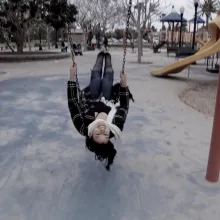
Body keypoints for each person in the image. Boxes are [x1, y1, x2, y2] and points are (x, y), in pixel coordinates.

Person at [67, 51, 133, 171]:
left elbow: (73, 104)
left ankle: (100, 57)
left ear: (91, 135)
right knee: (107, 82)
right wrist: (124, 86)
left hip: (90, 99)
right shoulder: (116, 126)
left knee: (96, 81)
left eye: (98, 134)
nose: (102, 129)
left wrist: (72, 77)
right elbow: (123, 106)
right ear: (110, 134)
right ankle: (107, 58)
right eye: (106, 134)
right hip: (108, 100)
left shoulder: (83, 127)